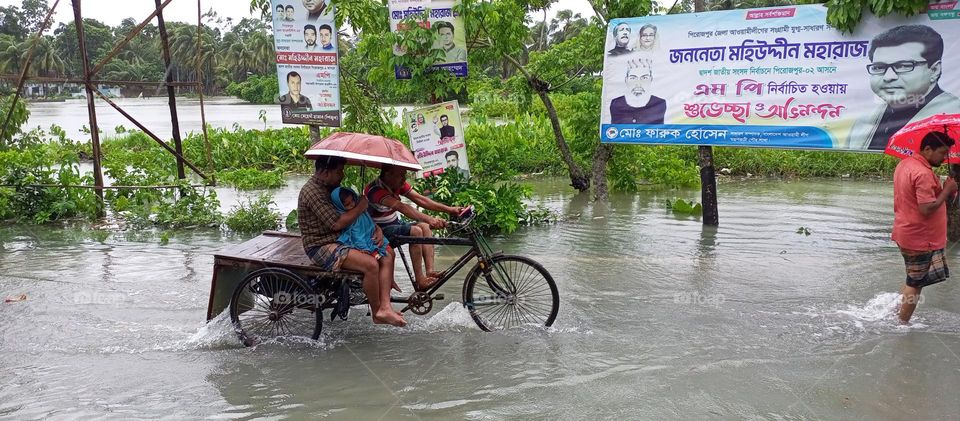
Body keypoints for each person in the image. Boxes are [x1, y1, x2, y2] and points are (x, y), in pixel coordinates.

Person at [298, 156, 405, 327]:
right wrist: (360, 207)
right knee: (370, 265)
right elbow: (336, 223)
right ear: (325, 172)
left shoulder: (332, 187)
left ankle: (386, 306)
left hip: (345, 238)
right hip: (322, 244)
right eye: (339, 171)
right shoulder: (313, 192)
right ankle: (378, 312)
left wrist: (375, 228)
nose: (342, 175)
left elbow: (361, 218)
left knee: (388, 253)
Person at [849, 25, 960, 150]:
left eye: (903, 66)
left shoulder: (954, 119)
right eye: (879, 67)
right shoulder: (863, 122)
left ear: (934, 70)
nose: (888, 77)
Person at [364, 165, 468, 290]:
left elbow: (420, 199)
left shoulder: (396, 183)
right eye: (400, 175)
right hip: (379, 231)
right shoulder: (375, 190)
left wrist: (450, 210)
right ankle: (420, 280)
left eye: (404, 175)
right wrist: (430, 219)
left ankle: (430, 271)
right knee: (416, 231)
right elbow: (402, 207)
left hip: (394, 223)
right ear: (388, 174)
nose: (404, 179)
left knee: (425, 227)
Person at [892, 131, 957, 324]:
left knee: (912, 276)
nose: (945, 158)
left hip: (906, 231)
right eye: (942, 153)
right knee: (916, 283)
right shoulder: (923, 173)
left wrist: (945, 190)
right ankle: (902, 324)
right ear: (927, 149)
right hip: (921, 238)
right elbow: (926, 209)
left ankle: (897, 312)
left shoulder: (905, 164)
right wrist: (946, 191)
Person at [331, 187, 390, 260]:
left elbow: (371, 223)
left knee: (390, 255)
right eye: (347, 204)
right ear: (340, 206)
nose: (352, 204)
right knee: (385, 259)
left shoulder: (362, 212)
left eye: (352, 200)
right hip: (364, 246)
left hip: (374, 238)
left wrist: (378, 229)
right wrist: (363, 247)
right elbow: (356, 235)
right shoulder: (349, 221)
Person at [609, 59, 666, 124]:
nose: (638, 84)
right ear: (626, 80)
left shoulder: (660, 104)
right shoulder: (616, 104)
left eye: (644, 78)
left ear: (651, 79)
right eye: (633, 78)